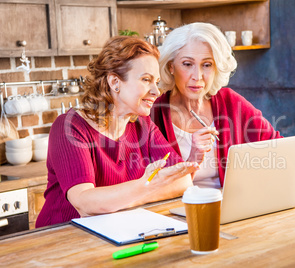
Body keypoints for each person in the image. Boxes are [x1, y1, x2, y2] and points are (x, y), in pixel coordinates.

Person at [36, 36, 198, 228]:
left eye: (156, 82)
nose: (156, 91)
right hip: (60, 236)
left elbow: (183, 180)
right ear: (115, 82)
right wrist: (145, 187)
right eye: (146, 80)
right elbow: (85, 203)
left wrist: (133, 196)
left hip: (115, 229)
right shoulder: (70, 127)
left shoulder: (143, 126)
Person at [151, 22, 295, 189]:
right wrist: (194, 157)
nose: (198, 76)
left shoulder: (231, 102)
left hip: (233, 205)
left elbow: (277, 147)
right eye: (187, 64)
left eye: (207, 65)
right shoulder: (153, 114)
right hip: (180, 209)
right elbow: (155, 187)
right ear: (171, 66)